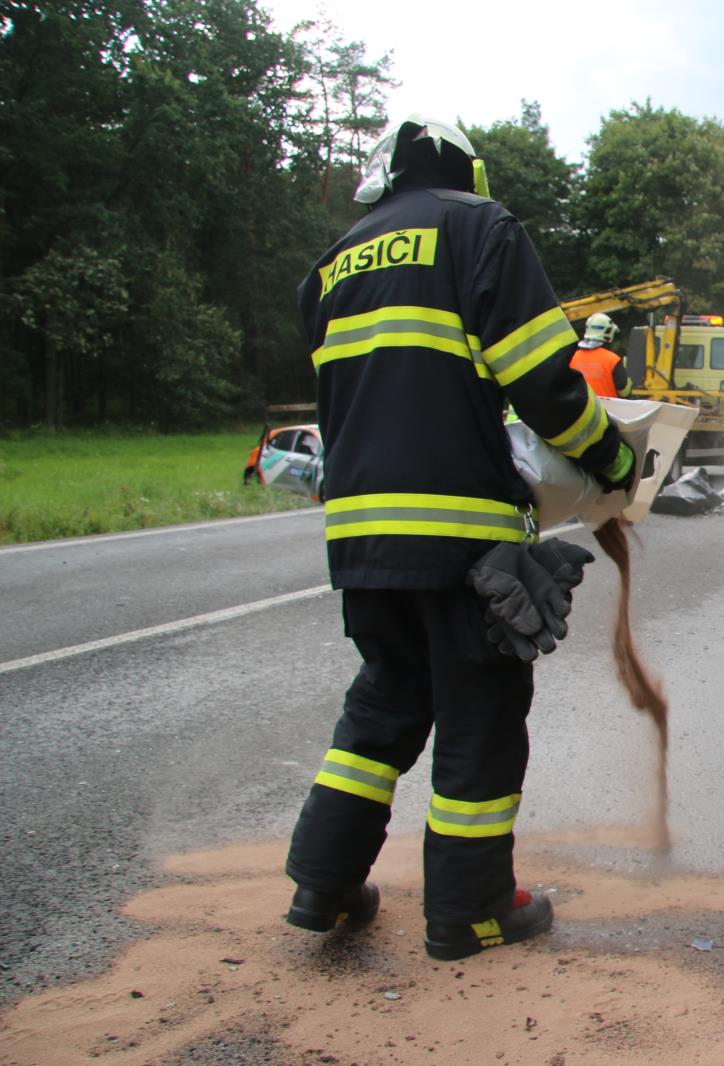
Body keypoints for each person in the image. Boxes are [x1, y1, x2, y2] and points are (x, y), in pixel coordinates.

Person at [283, 115, 635, 962]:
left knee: (385, 701)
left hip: (361, 536)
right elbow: (542, 383)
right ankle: (473, 910)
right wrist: (614, 457)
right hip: (463, 535)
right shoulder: (480, 228)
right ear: (464, 173)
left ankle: (324, 884)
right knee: (481, 714)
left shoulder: (330, 267)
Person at [570, 312, 633, 398]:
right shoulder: (612, 360)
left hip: (579, 410)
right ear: (608, 332)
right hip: (608, 410)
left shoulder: (572, 358)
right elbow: (625, 392)